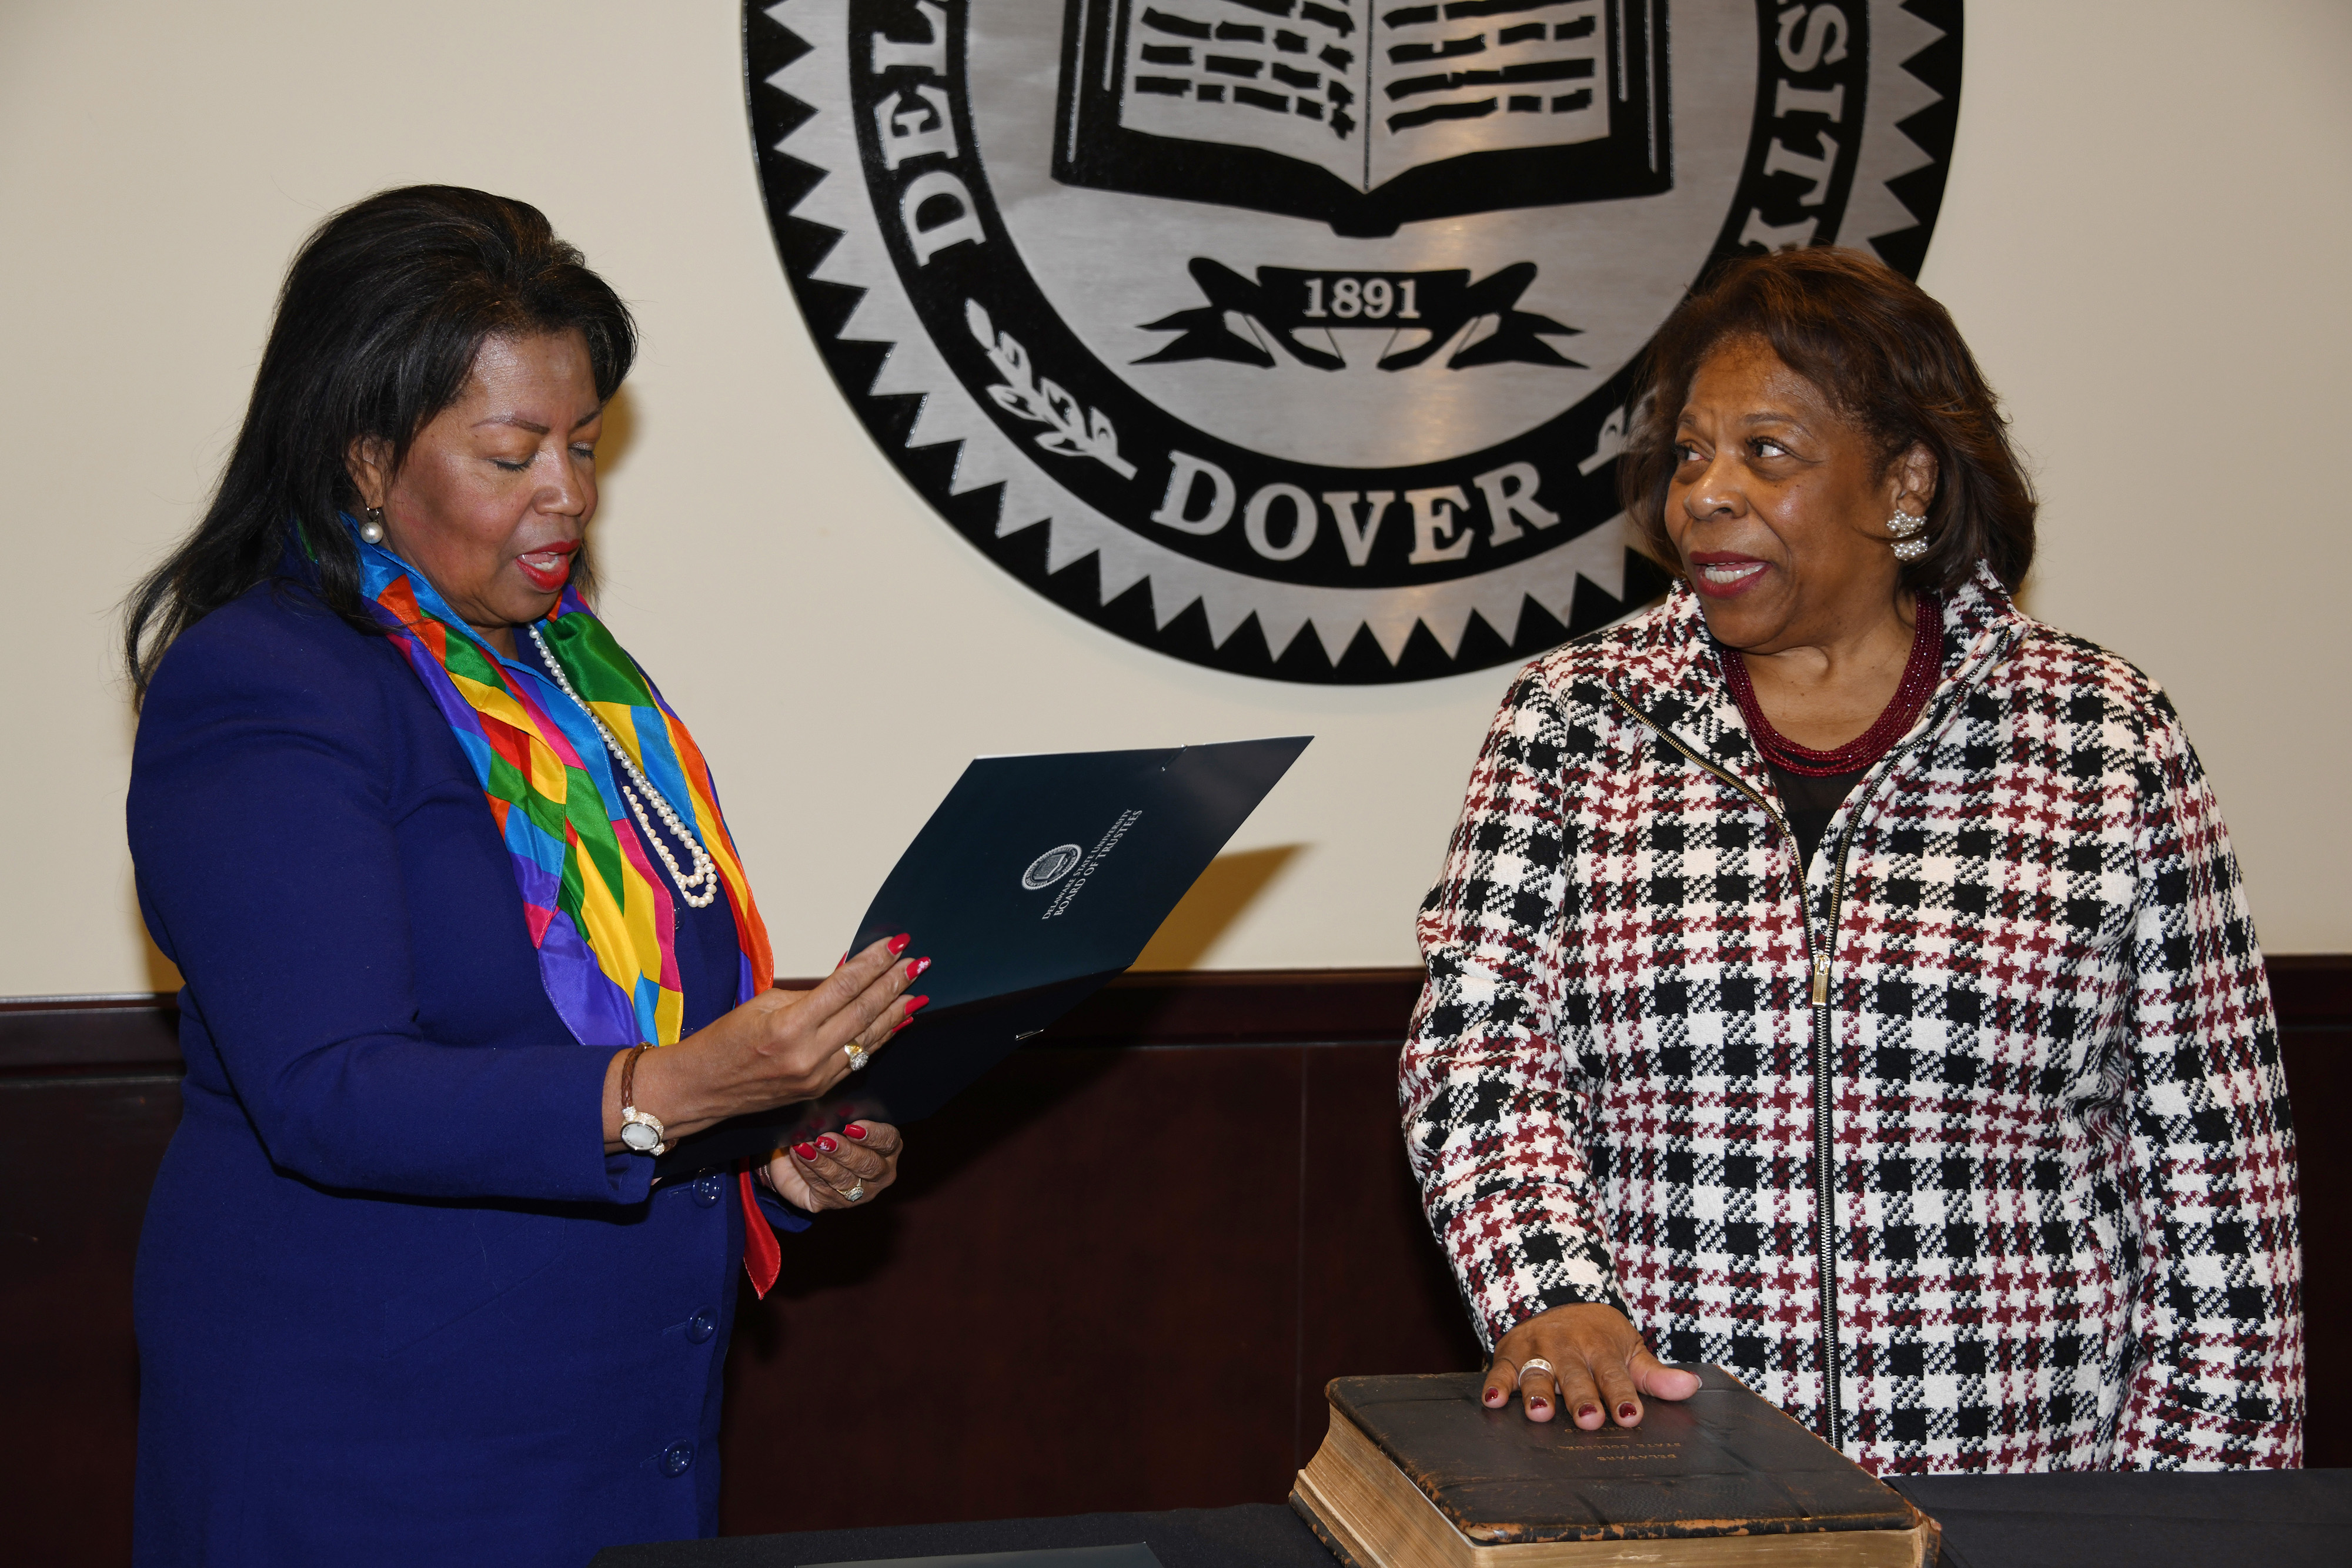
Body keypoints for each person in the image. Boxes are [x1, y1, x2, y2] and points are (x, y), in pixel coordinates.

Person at [122, 187, 928, 1563]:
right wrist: (670, 1093)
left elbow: (622, 1020)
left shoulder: (570, 678)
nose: (571, 492)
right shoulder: (265, 682)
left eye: (586, 443)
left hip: (623, 1430)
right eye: (513, 453)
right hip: (372, 1448)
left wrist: (775, 1134)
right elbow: (327, 1086)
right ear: (364, 457)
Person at [1399, 246, 2301, 1472]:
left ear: (1903, 482)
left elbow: (2214, 1171)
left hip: (2019, 1497)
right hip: (1668, 1482)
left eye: (1764, 452)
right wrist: (1546, 1289)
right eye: (1688, 453)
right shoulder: (1575, 718)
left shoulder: (2101, 735)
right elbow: (1478, 1054)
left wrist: (2184, 1516)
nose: (1702, 495)